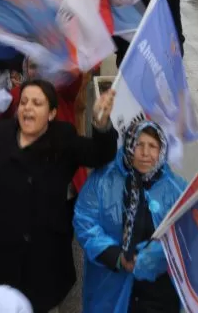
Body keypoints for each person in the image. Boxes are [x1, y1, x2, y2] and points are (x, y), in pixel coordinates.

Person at [0, 79, 118, 313]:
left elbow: (100, 154)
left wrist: (101, 125)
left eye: (37, 103)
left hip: (44, 257)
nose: (28, 107)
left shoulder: (64, 138)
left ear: (51, 113)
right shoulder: (1, 134)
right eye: (24, 102)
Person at [74, 120, 185, 312]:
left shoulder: (176, 188)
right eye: (138, 144)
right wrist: (117, 257)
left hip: (158, 293)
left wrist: (154, 257)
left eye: (152, 146)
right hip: (110, 286)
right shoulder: (103, 180)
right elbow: (85, 220)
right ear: (128, 145)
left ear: (161, 151)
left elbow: (185, 234)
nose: (145, 153)